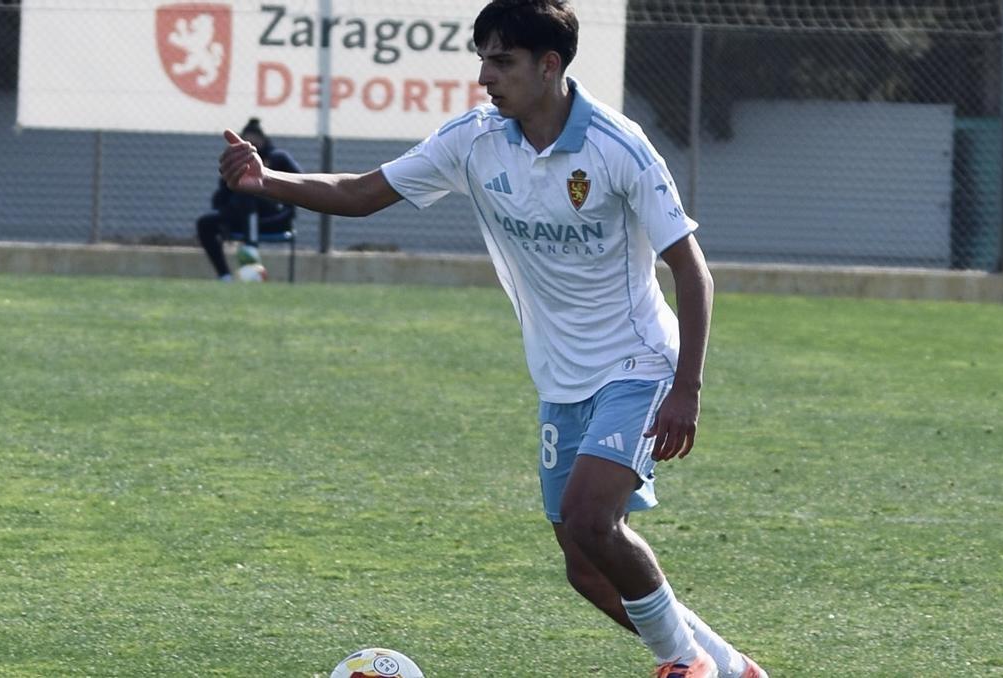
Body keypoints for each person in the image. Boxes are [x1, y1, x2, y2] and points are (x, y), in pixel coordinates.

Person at [219, 2, 767, 676]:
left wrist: (687, 388)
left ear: (549, 64)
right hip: (560, 378)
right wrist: (266, 181)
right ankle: (731, 668)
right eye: (482, 60)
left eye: (502, 61)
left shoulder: (617, 146)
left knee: (591, 519)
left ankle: (684, 664)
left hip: (639, 361)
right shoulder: (474, 141)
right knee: (584, 566)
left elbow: (691, 268)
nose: (485, 76)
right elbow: (361, 192)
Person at [197, 118, 301, 281]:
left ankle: (250, 246)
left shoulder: (278, 158)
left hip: (272, 216)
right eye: (248, 139)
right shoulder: (237, 161)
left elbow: (299, 182)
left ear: (263, 140)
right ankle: (225, 276)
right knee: (205, 223)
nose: (252, 142)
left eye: (255, 139)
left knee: (250, 191)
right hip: (239, 215)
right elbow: (222, 193)